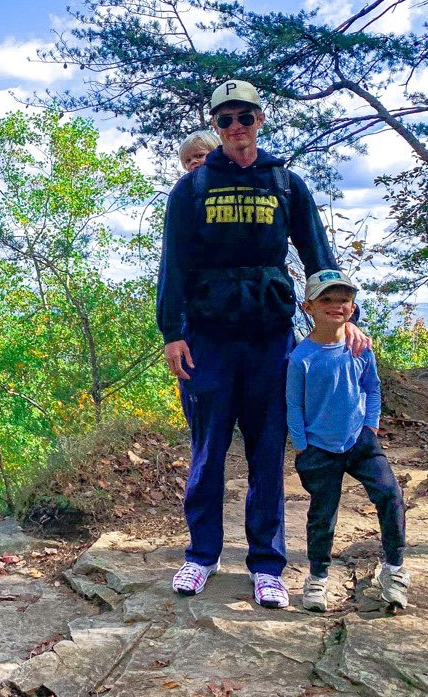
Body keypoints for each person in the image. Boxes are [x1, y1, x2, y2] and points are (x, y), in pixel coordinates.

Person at [157, 79, 368, 608]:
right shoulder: (192, 188)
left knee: (267, 452)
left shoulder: (286, 184)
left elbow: (319, 256)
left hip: (270, 336)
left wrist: (346, 316)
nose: (235, 128)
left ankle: (267, 564)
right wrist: (173, 332)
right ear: (215, 126)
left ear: (260, 120)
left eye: (244, 117)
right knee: (207, 450)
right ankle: (201, 555)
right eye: (224, 119)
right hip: (207, 337)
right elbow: (174, 265)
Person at [288, 269, 410, 612]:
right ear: (308, 306)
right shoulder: (302, 358)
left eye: (343, 299)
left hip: (360, 441)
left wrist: (370, 425)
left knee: (390, 495)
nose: (336, 305)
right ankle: (317, 578)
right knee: (323, 514)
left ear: (353, 307)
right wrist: (301, 444)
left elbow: (371, 387)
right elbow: (293, 403)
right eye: (326, 299)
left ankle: (395, 569)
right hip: (319, 448)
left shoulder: (360, 348)